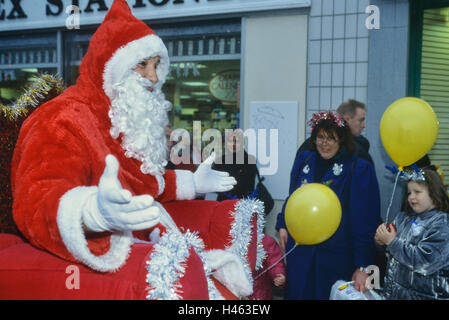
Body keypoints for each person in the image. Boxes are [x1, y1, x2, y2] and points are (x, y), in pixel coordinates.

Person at [10, 0, 265, 300]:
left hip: (148, 242)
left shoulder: (120, 121)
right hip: (117, 257)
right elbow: (36, 200)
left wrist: (191, 183)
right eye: (142, 65)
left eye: (156, 66)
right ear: (111, 68)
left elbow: (140, 184)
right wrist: (92, 213)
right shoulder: (62, 118)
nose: (154, 78)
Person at [276, 111, 381, 300]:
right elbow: (293, 197)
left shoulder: (358, 167)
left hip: (336, 256)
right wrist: (283, 222)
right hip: (301, 252)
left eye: (331, 138)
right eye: (320, 138)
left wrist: (362, 266)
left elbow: (365, 219)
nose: (324, 144)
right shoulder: (304, 160)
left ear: (341, 140)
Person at [375, 168, 449, 300]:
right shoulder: (404, 218)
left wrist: (392, 242)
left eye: (417, 192)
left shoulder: (443, 224)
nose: (411, 197)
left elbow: (425, 261)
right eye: (409, 193)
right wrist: (382, 241)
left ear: (433, 193)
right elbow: (393, 254)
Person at [298, 100, 373, 164]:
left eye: (330, 138)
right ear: (347, 120)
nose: (364, 125)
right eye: (361, 120)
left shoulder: (307, 146)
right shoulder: (358, 153)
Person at [212, 130, 258, 201]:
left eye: (237, 141)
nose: (233, 144)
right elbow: (213, 184)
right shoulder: (220, 160)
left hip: (242, 205)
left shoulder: (249, 160)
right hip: (222, 204)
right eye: (230, 141)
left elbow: (248, 186)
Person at [246, 233, 286, 300]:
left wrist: (278, 274)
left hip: (260, 292)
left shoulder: (265, 240)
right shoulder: (230, 240)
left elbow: (275, 262)